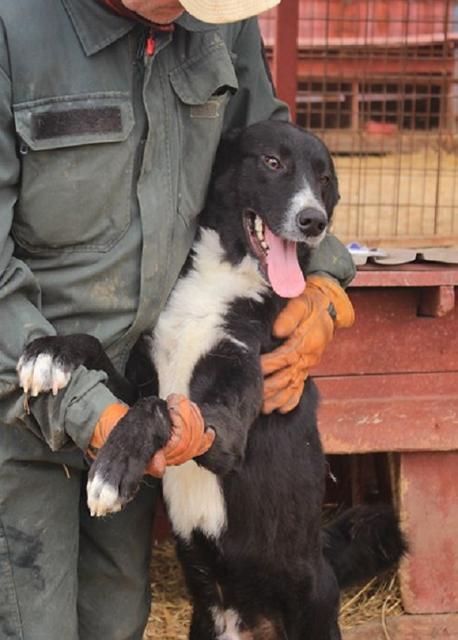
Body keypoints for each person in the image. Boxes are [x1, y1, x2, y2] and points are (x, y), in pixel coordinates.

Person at [0, 0, 355, 638]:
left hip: (142, 382)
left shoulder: (215, 18)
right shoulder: (12, 29)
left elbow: (268, 142)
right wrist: (94, 412)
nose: (192, 17)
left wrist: (323, 281)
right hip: (24, 395)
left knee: (114, 623)